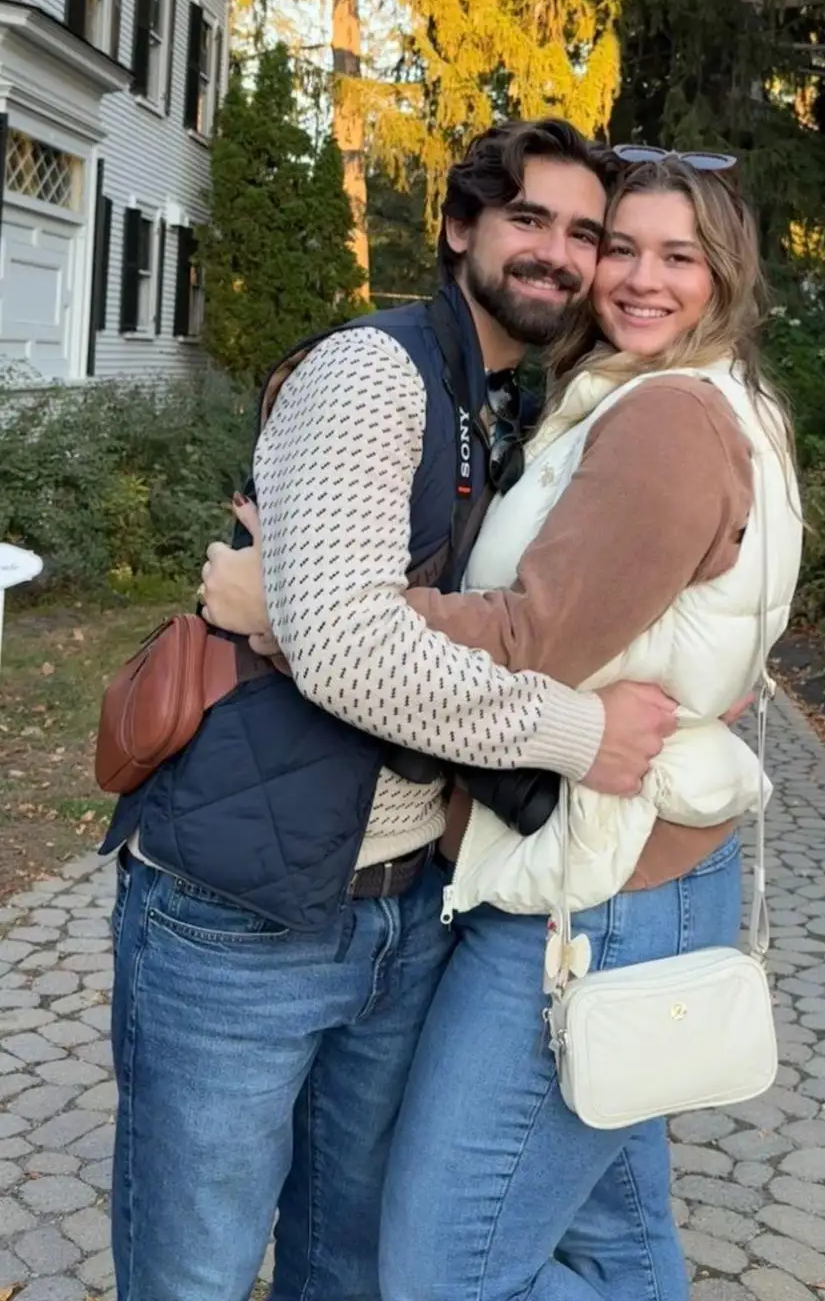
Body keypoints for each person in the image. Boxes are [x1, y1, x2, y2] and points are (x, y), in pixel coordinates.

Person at [204, 148, 803, 1297]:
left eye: (677, 256)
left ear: (725, 275)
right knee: (616, 1237)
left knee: (442, 1268)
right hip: (645, 869)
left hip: (592, 891)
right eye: (616, 247)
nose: (634, 277)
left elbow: (534, 638)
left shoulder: (668, 420)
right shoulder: (709, 399)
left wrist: (297, 606)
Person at [108, 119, 680, 1301]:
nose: (560, 257)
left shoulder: (504, 406)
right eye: (529, 219)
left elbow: (362, 622)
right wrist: (581, 738)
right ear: (462, 227)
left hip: (399, 905)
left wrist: (293, 610)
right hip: (241, 915)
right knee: (197, 1271)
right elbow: (358, 652)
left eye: (585, 234)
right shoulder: (379, 372)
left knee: (348, 1262)